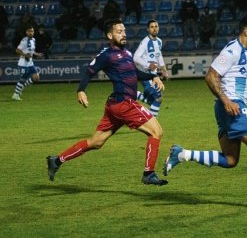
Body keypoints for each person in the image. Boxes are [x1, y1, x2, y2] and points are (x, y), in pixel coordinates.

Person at [163, 13, 247, 210]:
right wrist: (226, 99)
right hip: (231, 105)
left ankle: (182, 154)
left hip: (228, 107)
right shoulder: (232, 50)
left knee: (230, 160)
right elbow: (211, 76)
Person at [46, 18, 168, 185]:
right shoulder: (106, 55)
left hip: (115, 106)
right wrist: (81, 90)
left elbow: (135, 74)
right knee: (156, 132)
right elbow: (89, 71)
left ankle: (56, 160)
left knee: (96, 142)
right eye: (119, 31)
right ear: (110, 35)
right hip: (124, 104)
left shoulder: (127, 53)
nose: (124, 34)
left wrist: (153, 76)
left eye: (124, 31)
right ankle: (148, 174)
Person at [133, 19, 169, 117]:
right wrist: (148, 65)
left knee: (154, 100)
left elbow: (159, 55)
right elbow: (136, 57)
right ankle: (152, 123)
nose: (154, 29)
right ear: (148, 29)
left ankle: (136, 94)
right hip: (145, 74)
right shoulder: (145, 42)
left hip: (154, 74)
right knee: (158, 98)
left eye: (156, 26)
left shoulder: (159, 41)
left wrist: (164, 69)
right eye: (152, 27)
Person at [12, 25, 43, 101]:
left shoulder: (33, 40)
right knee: (22, 79)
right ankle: (15, 95)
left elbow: (31, 51)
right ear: (26, 32)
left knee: (36, 78)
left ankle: (21, 88)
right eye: (29, 31)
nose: (31, 32)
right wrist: (25, 54)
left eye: (32, 31)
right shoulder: (24, 40)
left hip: (30, 63)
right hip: (23, 63)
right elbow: (17, 50)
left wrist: (37, 54)